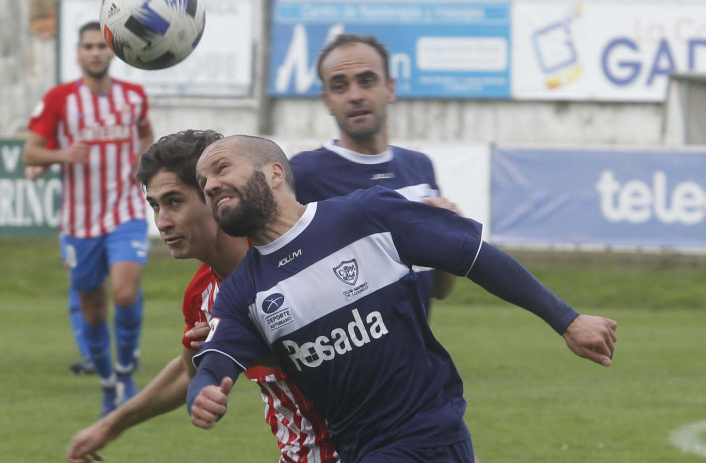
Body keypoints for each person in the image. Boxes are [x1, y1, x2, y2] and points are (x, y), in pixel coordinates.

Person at [187, 135, 618, 463]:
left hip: (428, 431)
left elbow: (474, 258)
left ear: (275, 173)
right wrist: (203, 391)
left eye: (222, 168)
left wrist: (567, 319)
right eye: (203, 182)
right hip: (358, 449)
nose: (210, 186)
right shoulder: (243, 291)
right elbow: (216, 364)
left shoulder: (367, 215)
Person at [67, 130, 338, 463]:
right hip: (302, 453)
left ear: (215, 197)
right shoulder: (201, 295)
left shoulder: (290, 255)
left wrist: (245, 347)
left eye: (174, 202)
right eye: (155, 206)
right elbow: (189, 370)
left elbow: (351, 349)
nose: (162, 222)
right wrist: (111, 426)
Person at [23, 21, 153, 416]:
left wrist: (144, 162)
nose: (95, 52)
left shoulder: (134, 97)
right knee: (93, 310)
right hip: (79, 223)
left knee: (125, 293)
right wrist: (62, 155)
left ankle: (127, 371)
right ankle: (108, 384)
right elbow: (30, 153)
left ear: (111, 51)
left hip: (126, 212)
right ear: (78, 54)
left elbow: (147, 136)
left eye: (101, 46)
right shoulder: (60, 99)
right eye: (88, 47)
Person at [289, 33, 457, 311]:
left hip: (422, 355)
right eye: (340, 86)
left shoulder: (420, 166)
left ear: (390, 88)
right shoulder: (304, 174)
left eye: (367, 81)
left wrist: (449, 236)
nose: (355, 96)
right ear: (327, 100)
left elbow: (439, 289)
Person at [26, 165, 95, 375]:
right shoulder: (68, 138)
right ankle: (91, 356)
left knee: (124, 285)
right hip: (75, 220)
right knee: (78, 280)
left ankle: (123, 354)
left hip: (111, 219)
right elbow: (33, 166)